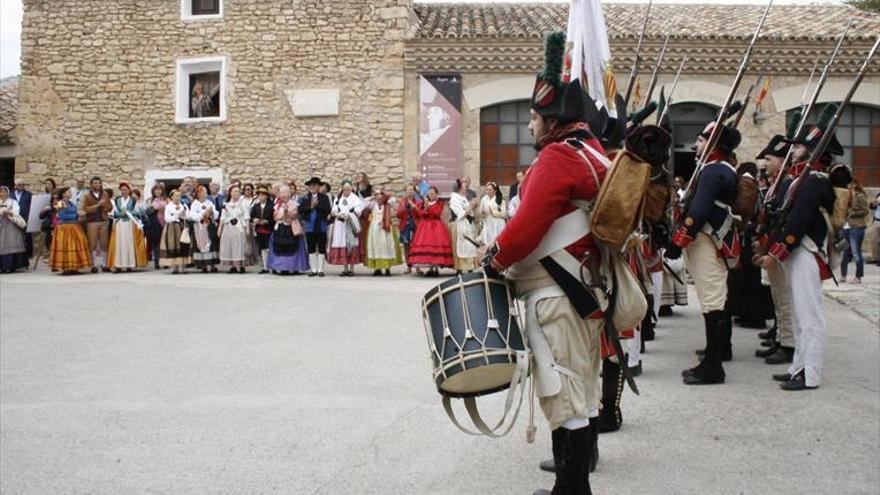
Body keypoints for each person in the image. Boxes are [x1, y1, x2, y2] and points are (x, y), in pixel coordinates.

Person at [480, 32, 608, 493]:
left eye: (534, 117)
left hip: (558, 293)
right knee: (582, 389)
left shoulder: (557, 157)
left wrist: (492, 261)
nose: (529, 126)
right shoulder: (593, 152)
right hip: (584, 289)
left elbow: (528, 227)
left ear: (551, 119)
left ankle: (572, 490)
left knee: (563, 391)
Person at [755, 118, 846, 391]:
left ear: (814, 150)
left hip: (805, 250)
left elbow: (798, 223)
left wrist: (776, 253)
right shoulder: (802, 178)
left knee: (809, 316)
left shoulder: (815, 180)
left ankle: (810, 373)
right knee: (797, 314)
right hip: (797, 250)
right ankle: (798, 366)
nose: (793, 151)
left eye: (801, 147)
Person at [667, 121, 742, 386]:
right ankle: (714, 355)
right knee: (713, 300)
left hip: (707, 240)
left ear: (714, 144)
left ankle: (714, 366)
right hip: (706, 240)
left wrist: (678, 240)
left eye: (701, 140)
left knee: (712, 301)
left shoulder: (713, 171)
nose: (695, 144)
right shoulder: (714, 169)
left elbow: (698, 212)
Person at [754, 135, 796, 365]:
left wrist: (773, 250)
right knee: (778, 297)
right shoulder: (777, 184)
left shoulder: (788, 183)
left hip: (779, 248)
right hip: (770, 244)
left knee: (784, 298)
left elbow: (783, 221)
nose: (764, 163)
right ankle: (781, 338)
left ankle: (788, 344)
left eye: (769, 159)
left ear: (781, 161)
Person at [408, 186, 453, 277]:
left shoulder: (440, 203)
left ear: (436, 194)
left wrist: (428, 207)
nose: (431, 195)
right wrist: (417, 208)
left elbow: (437, 214)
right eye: (429, 193)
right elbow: (421, 214)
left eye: (432, 193)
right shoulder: (423, 203)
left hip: (436, 226)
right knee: (427, 246)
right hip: (425, 226)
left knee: (436, 245)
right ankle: (430, 268)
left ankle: (436, 268)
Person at [267, 185, 310, 275]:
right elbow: (275, 217)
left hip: (291, 228)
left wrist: (287, 212)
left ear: (288, 194)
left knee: (292, 247)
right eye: (281, 193)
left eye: (285, 192)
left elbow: (294, 215)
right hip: (280, 228)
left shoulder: (294, 204)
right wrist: (282, 215)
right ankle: (280, 267)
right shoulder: (277, 205)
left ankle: (293, 268)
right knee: (279, 247)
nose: (283, 195)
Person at [48, 187, 92, 274]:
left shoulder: (71, 203)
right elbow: (62, 216)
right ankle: (66, 268)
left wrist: (80, 215)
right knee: (66, 247)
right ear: (63, 194)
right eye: (68, 192)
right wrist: (76, 216)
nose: (70, 193)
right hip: (65, 228)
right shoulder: (60, 203)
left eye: (70, 192)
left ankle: (74, 267)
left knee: (75, 246)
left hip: (74, 227)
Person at [108, 182, 148, 273]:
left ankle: (130, 264)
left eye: (125, 190)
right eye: (122, 190)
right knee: (120, 244)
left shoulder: (133, 201)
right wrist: (120, 214)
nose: (123, 192)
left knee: (129, 243)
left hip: (130, 224)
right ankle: (119, 264)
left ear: (129, 190)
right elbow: (113, 213)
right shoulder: (117, 200)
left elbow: (138, 213)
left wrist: (128, 212)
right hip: (120, 224)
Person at [364, 188, 403, 276]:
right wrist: (373, 197)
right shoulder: (373, 204)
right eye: (377, 198)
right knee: (375, 246)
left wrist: (385, 195)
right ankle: (377, 269)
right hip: (374, 228)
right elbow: (364, 202)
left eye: (380, 197)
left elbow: (394, 201)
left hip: (386, 228)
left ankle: (387, 268)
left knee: (387, 246)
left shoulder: (388, 203)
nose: (379, 200)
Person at [328, 181, 364, 276]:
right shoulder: (339, 197)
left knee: (351, 244)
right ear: (342, 189)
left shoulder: (355, 198)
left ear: (351, 189)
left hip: (350, 224)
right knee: (342, 243)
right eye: (345, 189)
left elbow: (358, 209)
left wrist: (350, 214)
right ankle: (345, 268)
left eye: (348, 189)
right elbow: (334, 208)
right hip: (340, 224)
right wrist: (336, 213)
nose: (347, 191)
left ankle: (351, 269)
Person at [299, 177, 332, 277]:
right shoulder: (305, 198)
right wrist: (311, 207)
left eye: (314, 185)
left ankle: (320, 269)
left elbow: (327, 209)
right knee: (311, 247)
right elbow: (301, 209)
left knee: (321, 246)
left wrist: (316, 206)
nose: (312, 187)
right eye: (310, 185)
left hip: (321, 225)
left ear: (318, 186)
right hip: (310, 226)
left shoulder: (324, 197)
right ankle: (313, 269)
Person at [80, 176, 113, 273]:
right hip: (92, 221)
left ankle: (104, 264)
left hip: (103, 220)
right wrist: (98, 205)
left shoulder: (105, 194)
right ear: (91, 185)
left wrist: (105, 206)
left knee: (104, 243)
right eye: (95, 183)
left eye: (99, 183)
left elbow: (110, 207)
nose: (97, 185)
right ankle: (93, 265)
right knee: (92, 243)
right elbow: (85, 209)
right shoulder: (87, 196)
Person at [840, 177, 870, 284]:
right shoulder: (845, 195)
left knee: (856, 252)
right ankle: (843, 276)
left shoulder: (860, 196)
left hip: (857, 227)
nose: (849, 186)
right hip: (846, 226)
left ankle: (858, 277)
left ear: (855, 184)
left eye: (851, 184)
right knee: (845, 253)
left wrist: (853, 213)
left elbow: (866, 210)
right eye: (848, 184)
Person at [448, 178, 479, 273]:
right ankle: (460, 268)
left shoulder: (463, 197)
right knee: (461, 245)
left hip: (468, 224)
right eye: (464, 183)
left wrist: (472, 206)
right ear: (459, 187)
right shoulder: (454, 198)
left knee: (469, 245)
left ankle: (470, 267)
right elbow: (460, 214)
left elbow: (469, 211)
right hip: (460, 224)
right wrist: (471, 206)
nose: (466, 186)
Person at [188, 184, 220, 273]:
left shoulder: (209, 202)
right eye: (204, 192)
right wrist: (203, 214)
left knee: (211, 245)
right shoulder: (195, 203)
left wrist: (212, 212)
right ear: (198, 193)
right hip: (200, 228)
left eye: (206, 192)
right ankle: (204, 265)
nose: (206, 194)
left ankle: (212, 265)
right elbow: (192, 216)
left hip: (210, 227)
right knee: (202, 245)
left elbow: (216, 214)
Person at [218, 184, 249, 273]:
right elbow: (222, 217)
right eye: (234, 191)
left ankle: (239, 265)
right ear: (230, 193)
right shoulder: (226, 204)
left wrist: (247, 228)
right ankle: (233, 266)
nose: (237, 193)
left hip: (239, 227)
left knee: (238, 246)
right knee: (229, 246)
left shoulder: (243, 203)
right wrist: (220, 228)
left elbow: (246, 216)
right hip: (228, 227)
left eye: (238, 192)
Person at [159, 189, 191, 274]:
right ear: (172, 197)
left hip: (182, 227)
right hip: (172, 228)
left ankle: (183, 267)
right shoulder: (168, 207)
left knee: (183, 246)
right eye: (176, 196)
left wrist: (183, 215)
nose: (178, 197)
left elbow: (188, 216)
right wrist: (178, 215)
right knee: (173, 246)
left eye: (179, 196)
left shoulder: (184, 205)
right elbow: (167, 218)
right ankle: (175, 267)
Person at [0, 185, 28, 273]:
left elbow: (17, 212)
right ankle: (2, 267)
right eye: (0, 192)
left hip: (11, 226)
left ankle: (11, 266)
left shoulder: (13, 202)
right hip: (1, 225)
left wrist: (8, 212)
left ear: (7, 193)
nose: (2, 194)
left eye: (4, 192)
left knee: (11, 245)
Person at [251, 186, 275, 274]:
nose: (261, 197)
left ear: (267, 196)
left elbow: (274, 218)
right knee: (262, 249)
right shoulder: (256, 206)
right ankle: (265, 267)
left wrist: (267, 221)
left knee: (269, 248)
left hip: (268, 229)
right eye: (259, 195)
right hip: (259, 230)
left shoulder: (271, 205)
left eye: (263, 195)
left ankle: (271, 266)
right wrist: (254, 220)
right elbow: (251, 216)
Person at [145, 183, 167, 269]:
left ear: (162, 191)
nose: (158, 191)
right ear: (153, 191)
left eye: (159, 189)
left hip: (164, 222)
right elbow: (147, 210)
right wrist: (155, 207)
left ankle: (165, 262)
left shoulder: (165, 199)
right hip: (154, 223)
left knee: (164, 243)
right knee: (155, 243)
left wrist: (155, 206)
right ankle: (157, 262)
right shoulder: (150, 200)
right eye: (156, 189)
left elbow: (163, 206)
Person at [398, 184, 420, 273]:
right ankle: (408, 267)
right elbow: (398, 214)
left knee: (416, 246)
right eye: (408, 189)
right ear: (405, 191)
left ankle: (418, 267)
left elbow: (420, 213)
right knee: (406, 246)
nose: (410, 191)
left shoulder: (418, 201)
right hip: (405, 225)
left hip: (415, 225)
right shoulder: (402, 201)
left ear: (414, 191)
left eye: (411, 189)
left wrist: (414, 206)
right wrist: (403, 207)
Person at [479, 181, 507, 246]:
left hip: (498, 223)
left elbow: (504, 214)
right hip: (487, 222)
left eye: (490, 189)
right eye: (487, 189)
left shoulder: (500, 200)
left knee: (497, 242)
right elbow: (480, 211)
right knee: (488, 242)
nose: (488, 191)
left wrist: (493, 212)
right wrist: (482, 214)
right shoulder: (484, 199)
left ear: (495, 190)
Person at [12, 178, 33, 259]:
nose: (22, 186)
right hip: (14, 218)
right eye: (19, 185)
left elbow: (32, 206)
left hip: (25, 217)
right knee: (16, 236)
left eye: (23, 185)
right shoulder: (11, 194)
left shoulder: (29, 194)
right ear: (16, 185)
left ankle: (29, 254)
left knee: (27, 236)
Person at [871, 192, 880, 265]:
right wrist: (874, 203)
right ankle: (876, 259)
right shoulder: (879, 194)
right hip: (876, 220)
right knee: (874, 240)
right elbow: (872, 207)